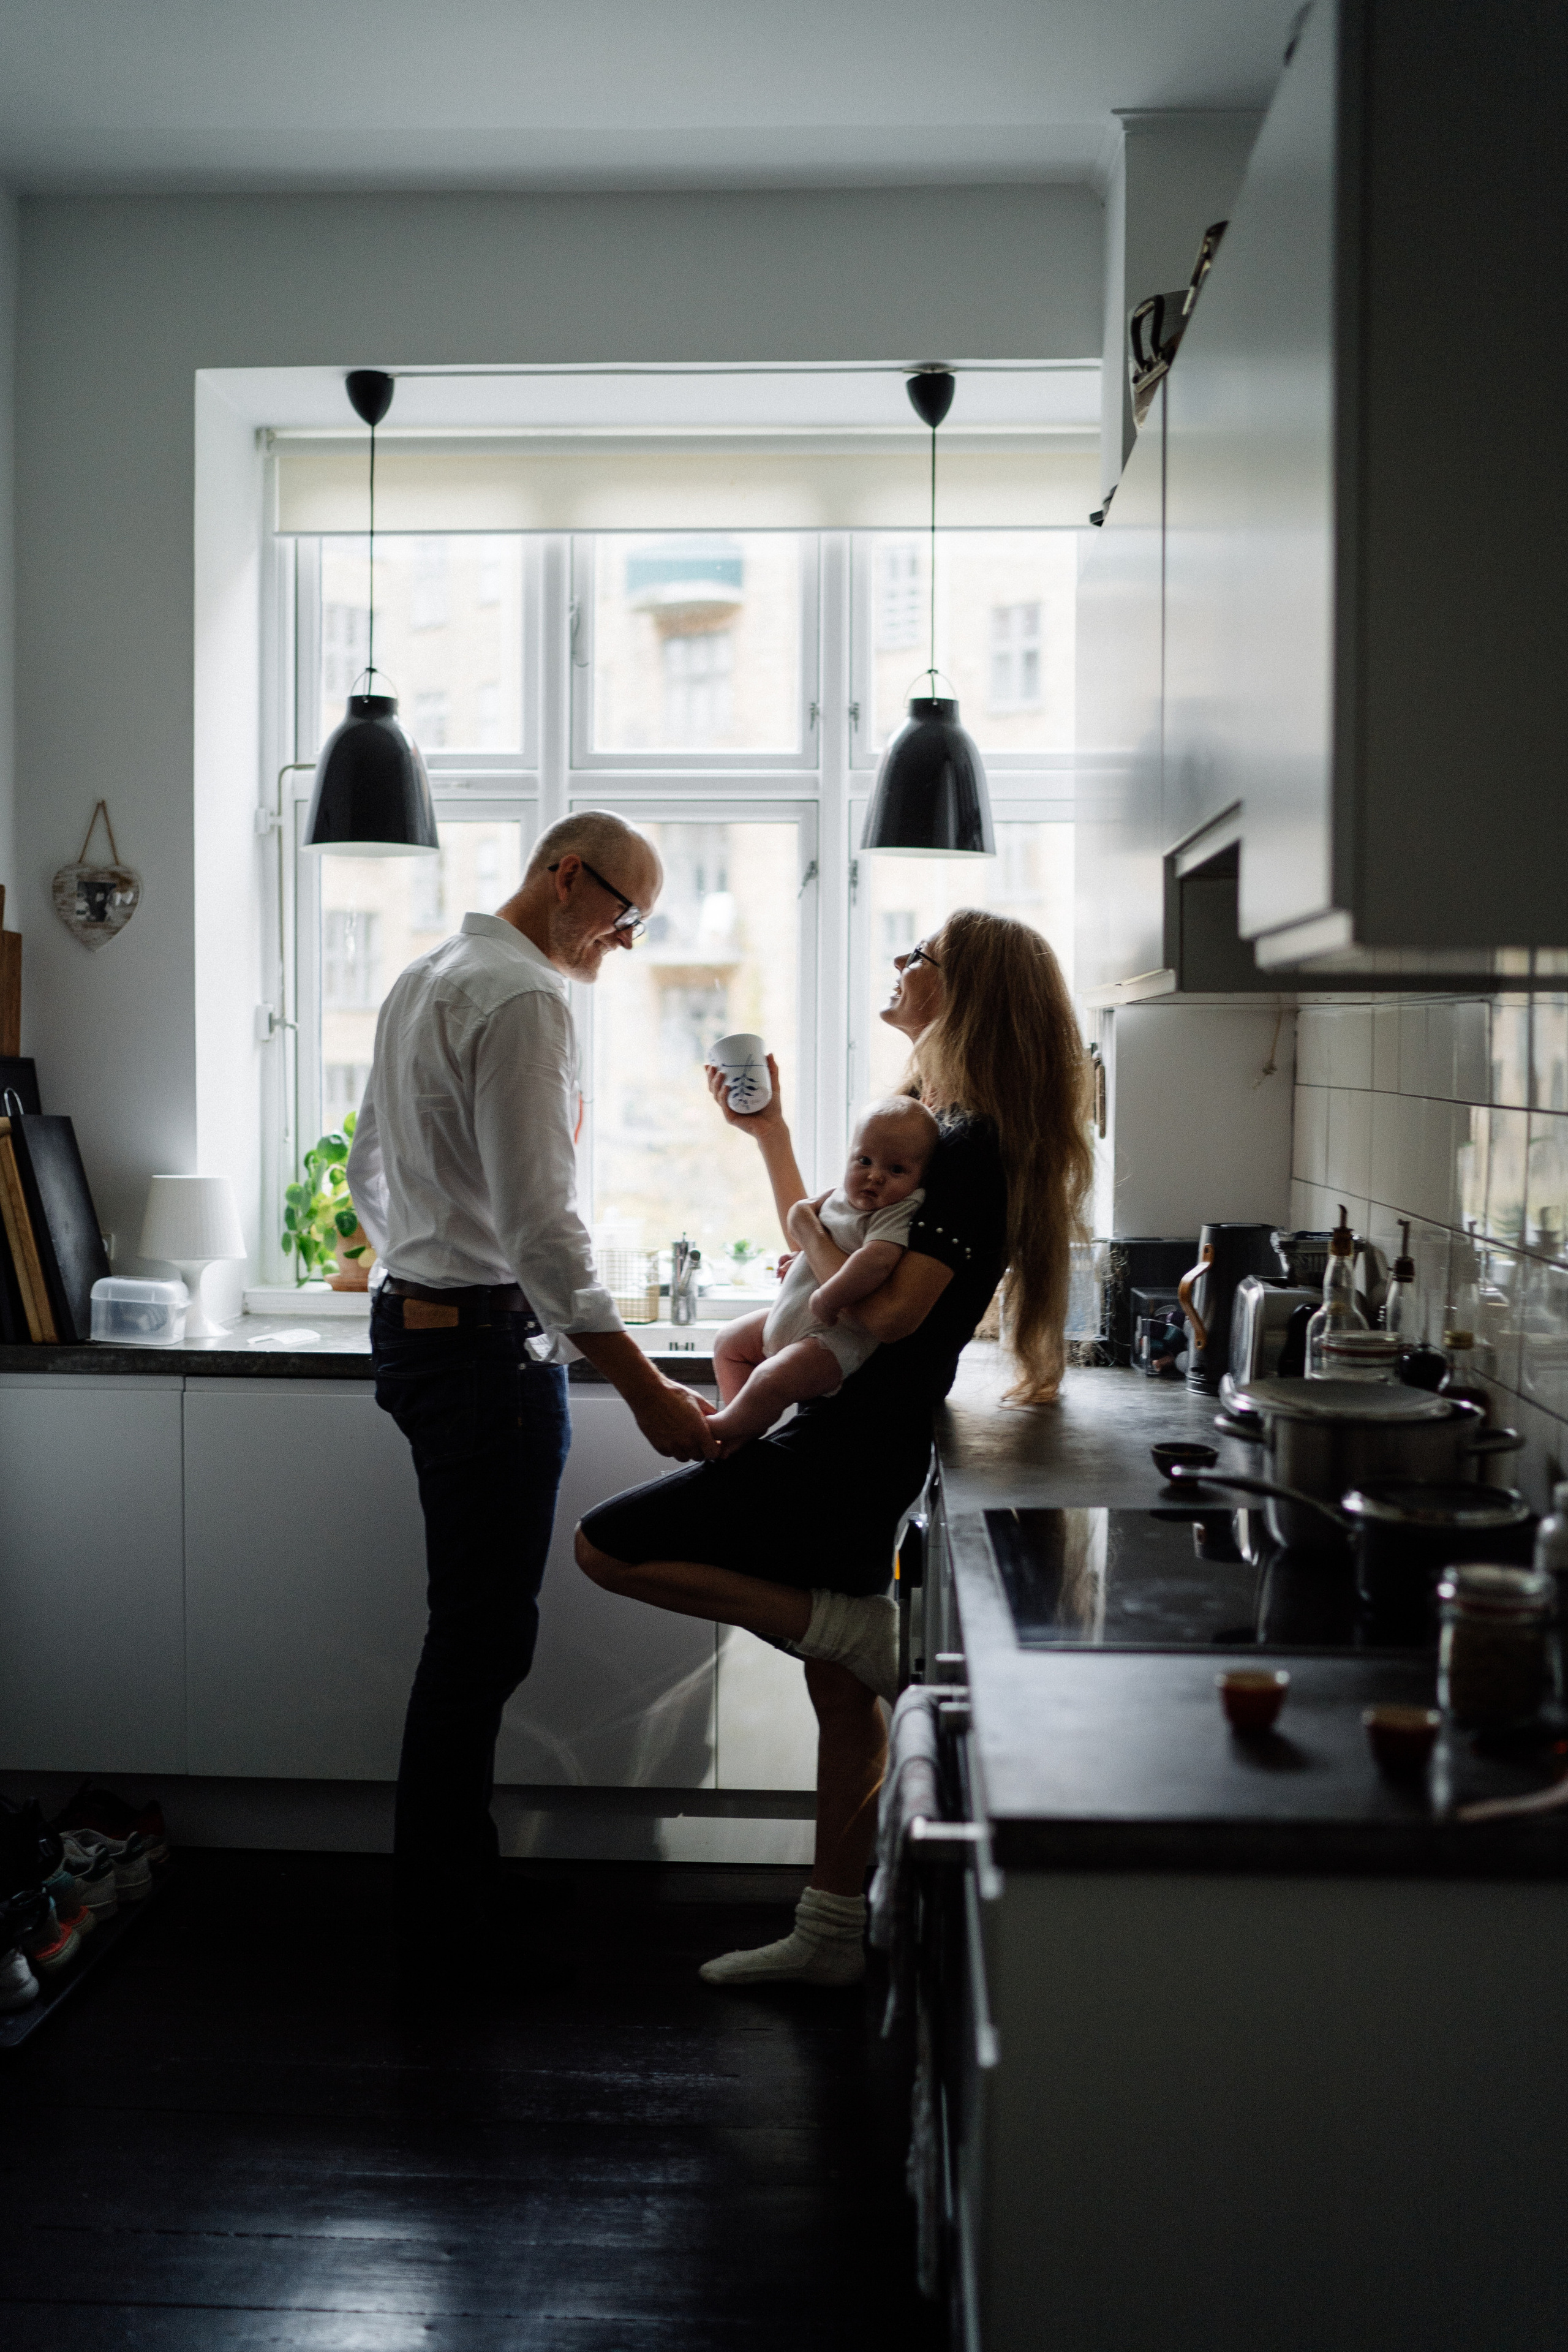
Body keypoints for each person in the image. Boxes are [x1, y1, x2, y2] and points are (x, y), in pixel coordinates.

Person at [575, 908, 1092, 1986]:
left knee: (606, 1548)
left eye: (922, 957)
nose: (901, 968)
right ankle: (830, 1935)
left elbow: (890, 1315)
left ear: (965, 992)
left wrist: (816, 1241)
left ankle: (856, 1628)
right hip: (853, 1438)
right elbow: (825, 1262)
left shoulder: (970, 1146)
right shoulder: (933, 1123)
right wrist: (771, 1145)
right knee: (837, 1688)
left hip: (851, 1448)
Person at [347, 810, 718, 1972]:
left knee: (472, 1631)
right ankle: (443, 1914)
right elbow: (542, 1230)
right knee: (479, 1637)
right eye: (623, 914)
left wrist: (423, 1267)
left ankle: (450, 1888)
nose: (623, 940)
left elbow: (367, 1166)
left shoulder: (426, 974)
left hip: (422, 1334)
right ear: (567, 877)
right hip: (483, 1355)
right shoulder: (526, 1000)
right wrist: (648, 1387)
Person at [706, 1096, 940, 1452]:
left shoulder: (898, 1211)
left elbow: (876, 1261)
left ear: (920, 1178)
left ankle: (724, 1426)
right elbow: (809, 1238)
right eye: (864, 1161)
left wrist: (827, 1296)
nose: (874, 1176)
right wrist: (799, 1261)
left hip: (831, 1336)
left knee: (771, 1379)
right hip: (792, 1316)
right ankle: (742, 1425)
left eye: (896, 1170)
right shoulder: (838, 1196)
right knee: (729, 1342)